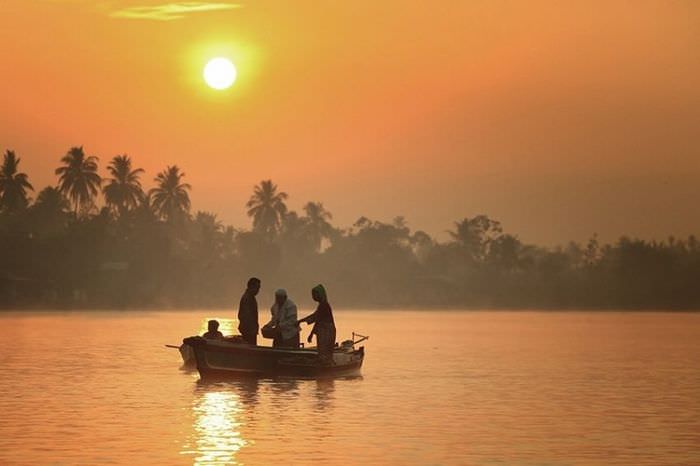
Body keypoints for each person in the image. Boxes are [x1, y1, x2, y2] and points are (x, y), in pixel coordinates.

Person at [298, 284, 336, 365]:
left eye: (315, 294)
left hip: (327, 331)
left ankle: (327, 366)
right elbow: (314, 316)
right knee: (323, 352)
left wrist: (311, 334)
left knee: (325, 352)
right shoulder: (322, 305)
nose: (313, 297)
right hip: (323, 330)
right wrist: (301, 321)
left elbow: (317, 319)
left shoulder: (324, 305)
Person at [238, 277, 260, 345]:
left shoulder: (250, 297)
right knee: (250, 348)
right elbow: (246, 315)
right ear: (251, 286)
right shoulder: (247, 298)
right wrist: (252, 329)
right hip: (248, 330)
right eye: (257, 287)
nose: (258, 290)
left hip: (249, 329)